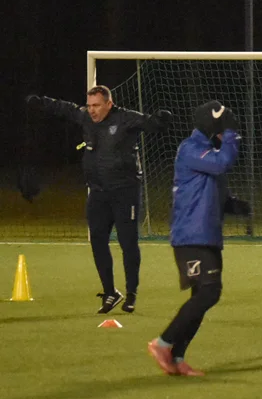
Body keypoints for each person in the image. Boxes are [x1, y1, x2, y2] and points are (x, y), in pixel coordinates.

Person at [25, 86, 171, 314]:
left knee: (128, 243)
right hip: (98, 193)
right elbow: (64, 108)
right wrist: (40, 101)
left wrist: (161, 119)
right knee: (98, 241)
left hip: (125, 192)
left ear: (108, 104)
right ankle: (110, 292)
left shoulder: (126, 118)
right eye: (89, 105)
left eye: (96, 105)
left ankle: (131, 294)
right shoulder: (86, 117)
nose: (91, 110)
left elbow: (151, 124)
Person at [146, 101, 241, 376]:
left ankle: (177, 358)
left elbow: (211, 187)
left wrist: (232, 205)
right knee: (209, 292)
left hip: (206, 235)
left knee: (204, 294)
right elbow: (222, 164)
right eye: (222, 126)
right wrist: (230, 134)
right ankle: (162, 343)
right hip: (191, 235)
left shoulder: (207, 151)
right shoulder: (190, 149)